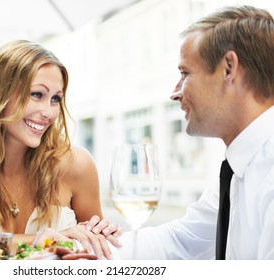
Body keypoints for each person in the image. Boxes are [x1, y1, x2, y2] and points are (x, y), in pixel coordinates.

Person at [0, 40, 121, 260]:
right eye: (37, 94)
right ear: (0, 94)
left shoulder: (77, 164)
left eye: (55, 99)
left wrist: (101, 235)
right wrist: (37, 242)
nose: (48, 112)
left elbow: (95, 256)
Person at [113, 5, 274, 260]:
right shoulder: (238, 167)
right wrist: (85, 252)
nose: (175, 92)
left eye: (185, 73)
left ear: (228, 69)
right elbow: (182, 240)